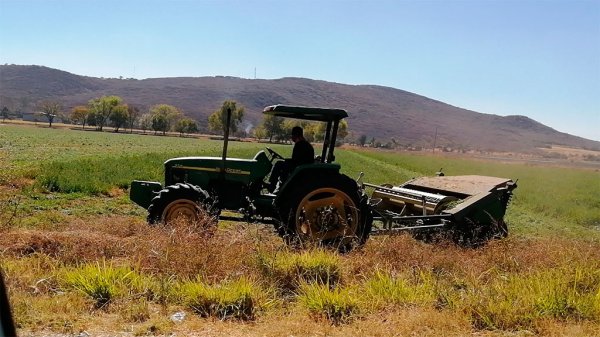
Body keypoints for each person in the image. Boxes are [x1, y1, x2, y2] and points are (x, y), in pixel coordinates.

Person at [267, 126, 314, 192]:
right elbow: (298, 159)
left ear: (295, 135)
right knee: (282, 164)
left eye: (292, 135)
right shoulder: (307, 145)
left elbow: (296, 161)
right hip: (302, 167)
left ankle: (271, 186)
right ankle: (280, 186)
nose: (291, 137)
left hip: (300, 169)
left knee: (278, 164)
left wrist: (286, 160)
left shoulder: (300, 145)